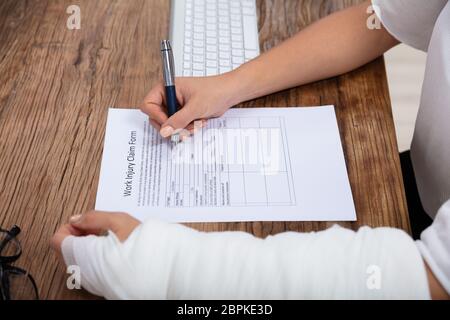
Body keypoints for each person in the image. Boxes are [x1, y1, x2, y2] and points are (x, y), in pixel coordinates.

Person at [52, 0, 449, 299]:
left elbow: (429, 277)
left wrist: (154, 265)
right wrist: (229, 86)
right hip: (421, 185)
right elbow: (378, 22)